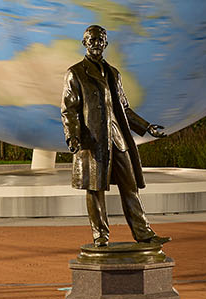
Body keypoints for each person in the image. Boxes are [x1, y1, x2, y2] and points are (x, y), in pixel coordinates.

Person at [62, 25, 171, 248]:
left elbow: (125, 109)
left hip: (117, 139)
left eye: (100, 40)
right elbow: (69, 109)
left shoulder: (113, 73)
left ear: (106, 44)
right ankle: (100, 235)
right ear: (84, 43)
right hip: (93, 141)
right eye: (91, 40)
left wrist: (147, 127)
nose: (96, 43)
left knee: (130, 185)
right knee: (95, 189)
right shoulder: (76, 73)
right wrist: (73, 136)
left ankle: (144, 233)